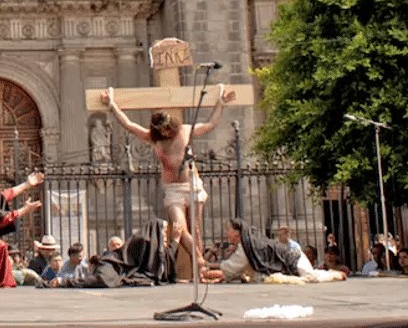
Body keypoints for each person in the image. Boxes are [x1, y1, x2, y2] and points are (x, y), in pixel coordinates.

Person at [102, 84, 236, 274]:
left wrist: (221, 103)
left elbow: (209, 125)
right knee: (180, 228)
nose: (165, 133)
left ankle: (199, 267)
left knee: (196, 228)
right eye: (161, 130)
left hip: (192, 184)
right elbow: (130, 126)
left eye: (166, 129)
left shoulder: (185, 131)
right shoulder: (154, 138)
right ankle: (199, 259)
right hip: (172, 189)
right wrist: (113, 104)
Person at [216, 219, 345, 284]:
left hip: (294, 257)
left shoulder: (246, 246)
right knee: (306, 277)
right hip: (288, 260)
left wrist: (205, 264)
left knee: (310, 277)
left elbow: (229, 268)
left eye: (228, 230)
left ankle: (334, 274)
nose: (226, 233)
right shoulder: (247, 244)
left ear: (237, 232)